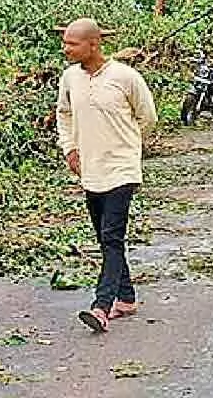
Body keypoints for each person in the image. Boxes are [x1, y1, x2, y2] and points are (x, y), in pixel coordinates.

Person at [56, 18, 158, 333]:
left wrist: (124, 145)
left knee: (112, 235)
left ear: (93, 45)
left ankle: (102, 306)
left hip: (122, 169)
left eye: (72, 43)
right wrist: (70, 148)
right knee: (104, 237)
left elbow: (147, 117)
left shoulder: (125, 77)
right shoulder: (70, 78)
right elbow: (64, 112)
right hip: (91, 168)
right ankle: (126, 297)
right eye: (65, 42)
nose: (65, 48)